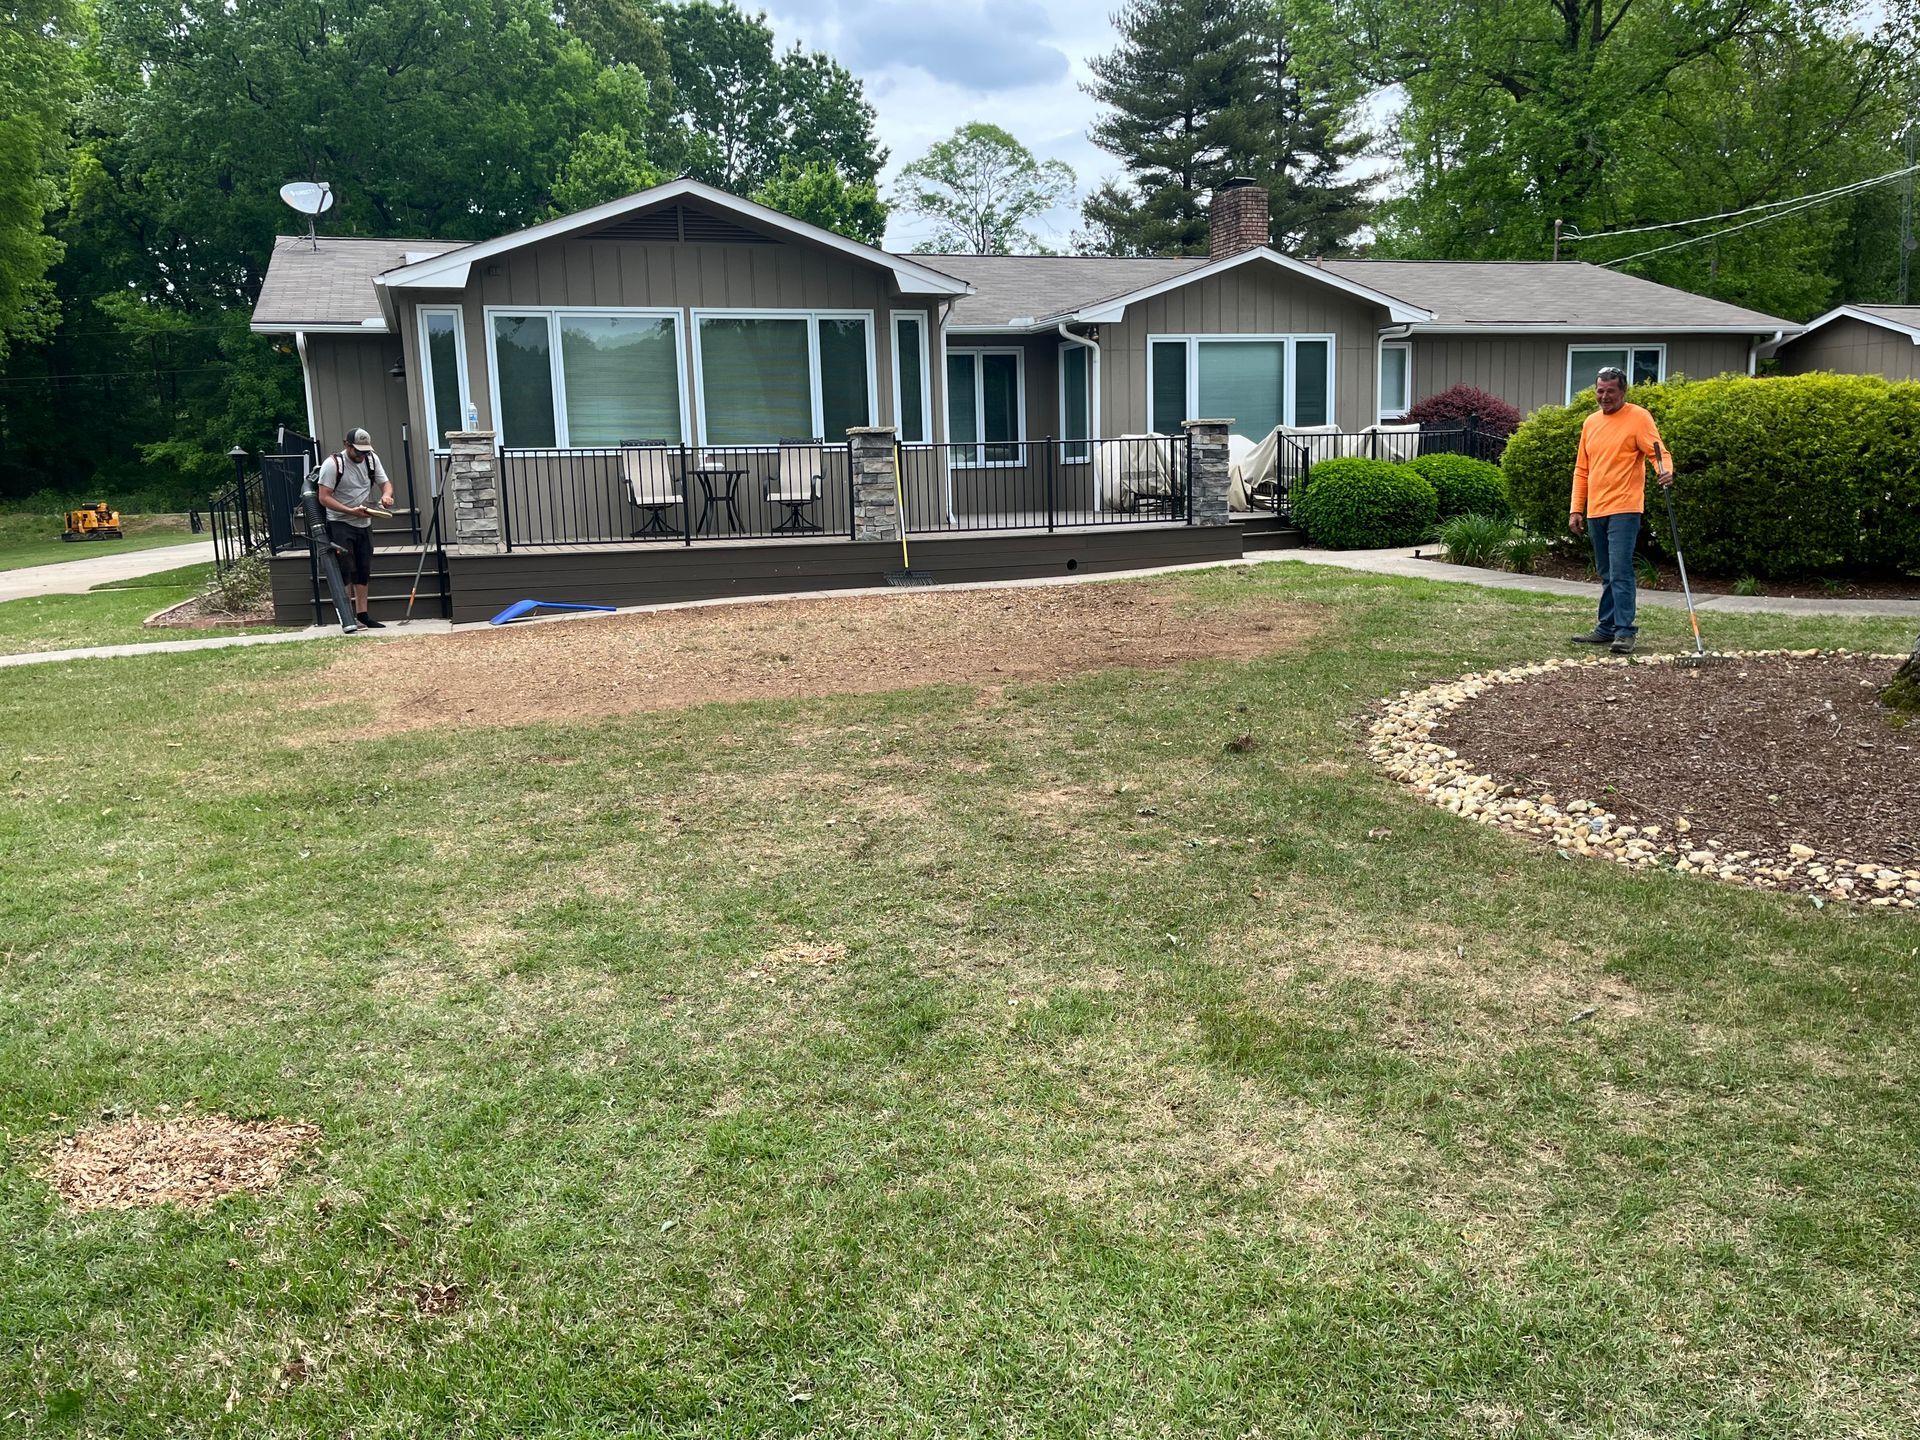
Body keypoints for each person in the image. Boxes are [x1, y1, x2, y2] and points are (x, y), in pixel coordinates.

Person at [1569, 367, 1672, 655]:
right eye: (1600, 391)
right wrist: (1576, 508)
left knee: (1620, 570)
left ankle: (1625, 631)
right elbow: (1582, 469)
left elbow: (1657, 452)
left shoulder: (1639, 417)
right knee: (1606, 571)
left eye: (1610, 391)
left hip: (1625, 507)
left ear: (1622, 391)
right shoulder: (1591, 423)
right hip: (1596, 509)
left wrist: (1665, 471)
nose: (1604, 397)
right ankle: (1606, 627)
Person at [315, 426, 395, 630]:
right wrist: (350, 511)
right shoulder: (333, 465)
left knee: (363, 570)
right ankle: (347, 616)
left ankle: (363, 615)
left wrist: (386, 496)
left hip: (364, 522)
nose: (362, 455)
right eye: (358, 451)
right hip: (340, 522)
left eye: (365, 451)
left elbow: (386, 484)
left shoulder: (371, 459)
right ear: (347, 445)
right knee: (346, 570)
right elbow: (324, 497)